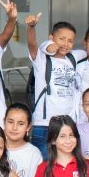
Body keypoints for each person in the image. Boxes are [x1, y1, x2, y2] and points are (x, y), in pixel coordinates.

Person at [25, 14, 82, 156]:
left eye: (70, 41)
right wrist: (31, 27)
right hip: (44, 125)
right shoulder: (41, 60)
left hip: (67, 125)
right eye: (61, 39)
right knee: (43, 167)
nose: (66, 44)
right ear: (51, 38)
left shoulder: (73, 58)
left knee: (64, 166)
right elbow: (32, 44)